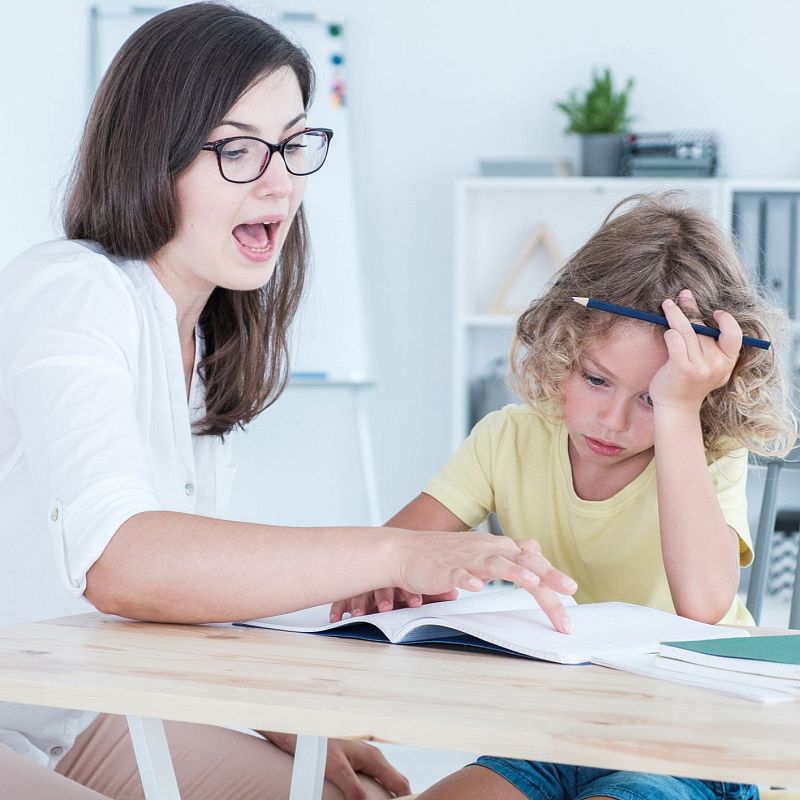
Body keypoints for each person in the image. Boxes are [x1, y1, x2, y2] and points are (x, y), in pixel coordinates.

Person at [0, 4, 577, 799]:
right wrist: (395, 549)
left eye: (294, 144)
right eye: (238, 149)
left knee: (353, 791)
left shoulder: (205, 345)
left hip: (79, 710)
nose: (280, 180)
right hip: (17, 713)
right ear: (149, 157)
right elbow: (121, 563)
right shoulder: (69, 288)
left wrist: (293, 725)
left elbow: (178, 596)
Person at [331, 193, 798, 800]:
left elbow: (705, 604)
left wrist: (681, 411)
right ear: (561, 349)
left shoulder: (706, 454)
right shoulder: (509, 438)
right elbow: (382, 557)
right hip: (557, 732)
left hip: (695, 738)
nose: (612, 420)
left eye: (653, 396)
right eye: (596, 379)